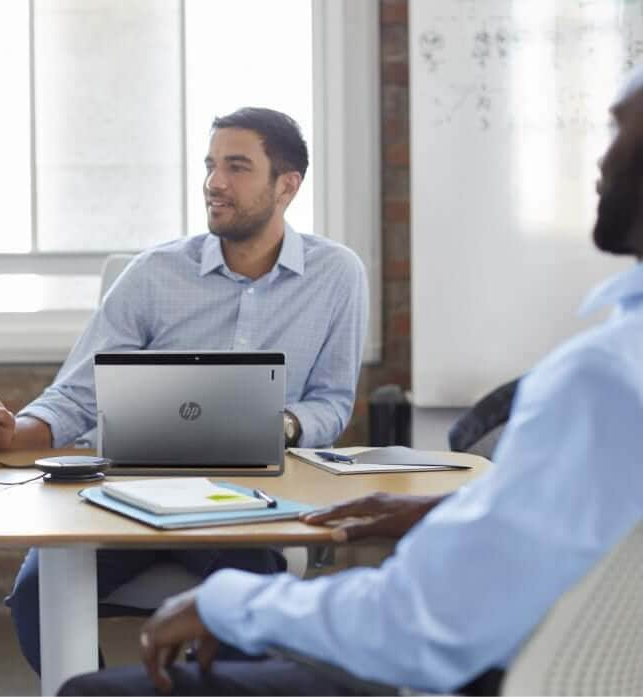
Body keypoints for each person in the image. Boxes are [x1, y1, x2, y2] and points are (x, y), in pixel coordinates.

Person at [56, 73, 643, 696]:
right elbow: (574, 519)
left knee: (92, 694)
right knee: (52, 588)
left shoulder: (603, 376)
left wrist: (233, 603)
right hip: (543, 657)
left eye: (622, 133)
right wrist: (444, 508)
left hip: (466, 671)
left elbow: (418, 625)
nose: (601, 159)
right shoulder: (612, 365)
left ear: (287, 185)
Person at [0, 107, 369, 675]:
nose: (214, 182)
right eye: (211, 164)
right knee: (36, 596)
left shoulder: (337, 275)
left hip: (238, 501)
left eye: (237, 167)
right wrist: (12, 431)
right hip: (127, 491)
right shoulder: (153, 273)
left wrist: (282, 425)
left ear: (287, 185)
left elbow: (333, 401)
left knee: (246, 613)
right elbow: (78, 395)